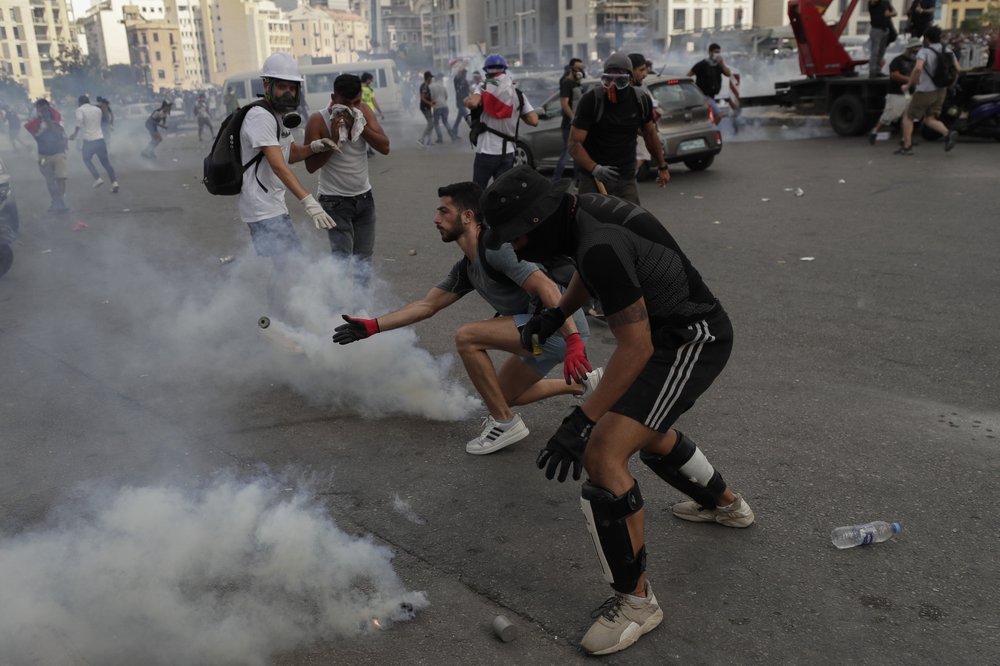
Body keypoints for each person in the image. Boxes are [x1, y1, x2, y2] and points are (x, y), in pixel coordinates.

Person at [483, 165, 755, 655]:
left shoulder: (599, 242)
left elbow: (635, 349)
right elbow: (590, 274)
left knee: (603, 454)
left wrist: (579, 422)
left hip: (689, 342)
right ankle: (727, 506)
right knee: (641, 432)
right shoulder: (583, 212)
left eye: (520, 237)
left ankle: (636, 603)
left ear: (542, 217)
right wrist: (556, 313)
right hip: (674, 336)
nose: (518, 248)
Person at [332, 181, 601, 454]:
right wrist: (372, 326)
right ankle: (580, 384)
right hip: (541, 334)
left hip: (558, 328)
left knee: (467, 336)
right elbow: (427, 305)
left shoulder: (497, 248)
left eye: (444, 211)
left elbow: (547, 288)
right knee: (502, 395)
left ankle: (504, 424)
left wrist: (574, 340)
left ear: (468, 216)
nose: (436, 219)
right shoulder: (467, 269)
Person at [237, 52, 338, 318]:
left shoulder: (278, 115)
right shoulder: (259, 116)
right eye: (282, 86)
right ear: (267, 86)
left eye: (292, 87)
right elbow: (278, 166)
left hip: (272, 204)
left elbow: (289, 154)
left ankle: (277, 317)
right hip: (261, 207)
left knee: (286, 266)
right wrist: (309, 202)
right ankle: (276, 320)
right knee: (291, 265)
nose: (287, 92)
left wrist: (314, 147)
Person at [304, 73, 390, 266]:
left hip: (364, 198)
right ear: (333, 98)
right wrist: (333, 140)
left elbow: (385, 147)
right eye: (346, 104)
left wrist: (359, 126)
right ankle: (340, 297)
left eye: (356, 103)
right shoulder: (318, 120)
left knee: (364, 260)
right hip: (334, 201)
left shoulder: (364, 112)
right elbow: (310, 166)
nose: (352, 109)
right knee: (341, 260)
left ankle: (361, 297)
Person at [570, 52, 669, 204]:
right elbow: (574, 143)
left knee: (631, 224)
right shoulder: (591, 100)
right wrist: (595, 168)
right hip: (594, 179)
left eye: (620, 80)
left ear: (630, 78)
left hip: (625, 178)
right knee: (590, 224)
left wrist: (662, 166)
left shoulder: (640, 99)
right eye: (608, 79)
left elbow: (649, 134)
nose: (613, 86)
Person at [465, 54, 539, 188]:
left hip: (486, 151)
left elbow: (473, 104)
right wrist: (517, 112)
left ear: (486, 71)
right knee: (502, 193)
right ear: (504, 70)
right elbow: (534, 120)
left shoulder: (484, 86)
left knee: (477, 191)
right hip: (508, 153)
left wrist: (467, 100)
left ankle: (478, 209)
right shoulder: (517, 93)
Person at [898, 25, 959, 155]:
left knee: (908, 116)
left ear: (926, 38)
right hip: (941, 91)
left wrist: (909, 84)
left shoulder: (924, 52)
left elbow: (918, 68)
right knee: (929, 118)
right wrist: (950, 84)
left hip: (925, 91)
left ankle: (907, 147)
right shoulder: (948, 50)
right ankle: (947, 134)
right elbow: (957, 69)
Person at [869, 38, 922, 144]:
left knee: (907, 116)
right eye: (916, 48)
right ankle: (875, 131)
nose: (917, 51)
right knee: (890, 115)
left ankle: (905, 139)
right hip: (896, 92)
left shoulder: (915, 61)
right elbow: (894, 75)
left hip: (909, 92)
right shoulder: (898, 60)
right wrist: (910, 80)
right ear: (910, 48)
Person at [24, 99, 69, 213]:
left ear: (49, 108)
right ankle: (55, 201)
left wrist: (50, 122)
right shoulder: (35, 122)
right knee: (49, 181)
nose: (43, 111)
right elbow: (34, 136)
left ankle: (61, 202)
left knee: (60, 179)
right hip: (43, 154)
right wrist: (41, 122)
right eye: (41, 109)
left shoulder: (57, 117)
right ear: (37, 110)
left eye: (45, 109)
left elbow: (60, 133)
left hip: (58, 152)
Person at [69, 95, 119, 193]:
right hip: (100, 139)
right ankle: (114, 183)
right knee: (106, 163)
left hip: (89, 141)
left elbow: (79, 122)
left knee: (86, 159)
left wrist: (74, 135)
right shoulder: (97, 110)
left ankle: (97, 178)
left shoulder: (79, 110)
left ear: (80, 103)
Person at [552, 58, 585, 182]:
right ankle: (555, 179)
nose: (581, 70)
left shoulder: (578, 83)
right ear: (571, 68)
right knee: (567, 151)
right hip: (568, 124)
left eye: (582, 67)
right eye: (578, 67)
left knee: (578, 150)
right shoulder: (566, 83)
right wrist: (572, 118)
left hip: (578, 124)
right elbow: (564, 103)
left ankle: (578, 179)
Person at [629, 53, 660, 176]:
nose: (645, 74)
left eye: (646, 69)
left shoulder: (641, 88)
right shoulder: (621, 93)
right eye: (641, 70)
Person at [688, 43, 733, 123]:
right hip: (703, 96)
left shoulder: (718, 65)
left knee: (707, 117)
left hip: (712, 96)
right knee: (718, 115)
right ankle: (712, 130)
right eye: (715, 52)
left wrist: (722, 64)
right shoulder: (702, 64)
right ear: (709, 52)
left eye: (719, 52)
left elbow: (728, 73)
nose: (717, 54)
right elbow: (688, 76)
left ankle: (708, 129)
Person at [867, 0, 898, 77]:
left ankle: (878, 70)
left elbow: (895, 12)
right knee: (875, 51)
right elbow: (873, 2)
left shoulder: (886, 2)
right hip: (876, 29)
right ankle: (873, 71)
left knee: (881, 51)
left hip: (885, 29)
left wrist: (889, 14)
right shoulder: (873, 2)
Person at [450, 63, 471, 139]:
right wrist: (462, 67)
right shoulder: (457, 80)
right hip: (459, 102)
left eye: (465, 73)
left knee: (459, 118)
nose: (465, 74)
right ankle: (475, 131)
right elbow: (457, 76)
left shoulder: (465, 81)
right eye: (464, 73)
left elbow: (469, 91)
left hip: (464, 102)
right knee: (467, 117)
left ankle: (453, 132)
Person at [417, 71, 436, 147]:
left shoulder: (427, 86)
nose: (431, 79)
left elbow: (427, 97)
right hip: (425, 107)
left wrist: (432, 102)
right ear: (428, 78)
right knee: (430, 123)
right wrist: (430, 103)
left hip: (427, 107)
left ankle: (429, 141)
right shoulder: (424, 86)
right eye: (431, 77)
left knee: (431, 124)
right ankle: (421, 139)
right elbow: (422, 98)